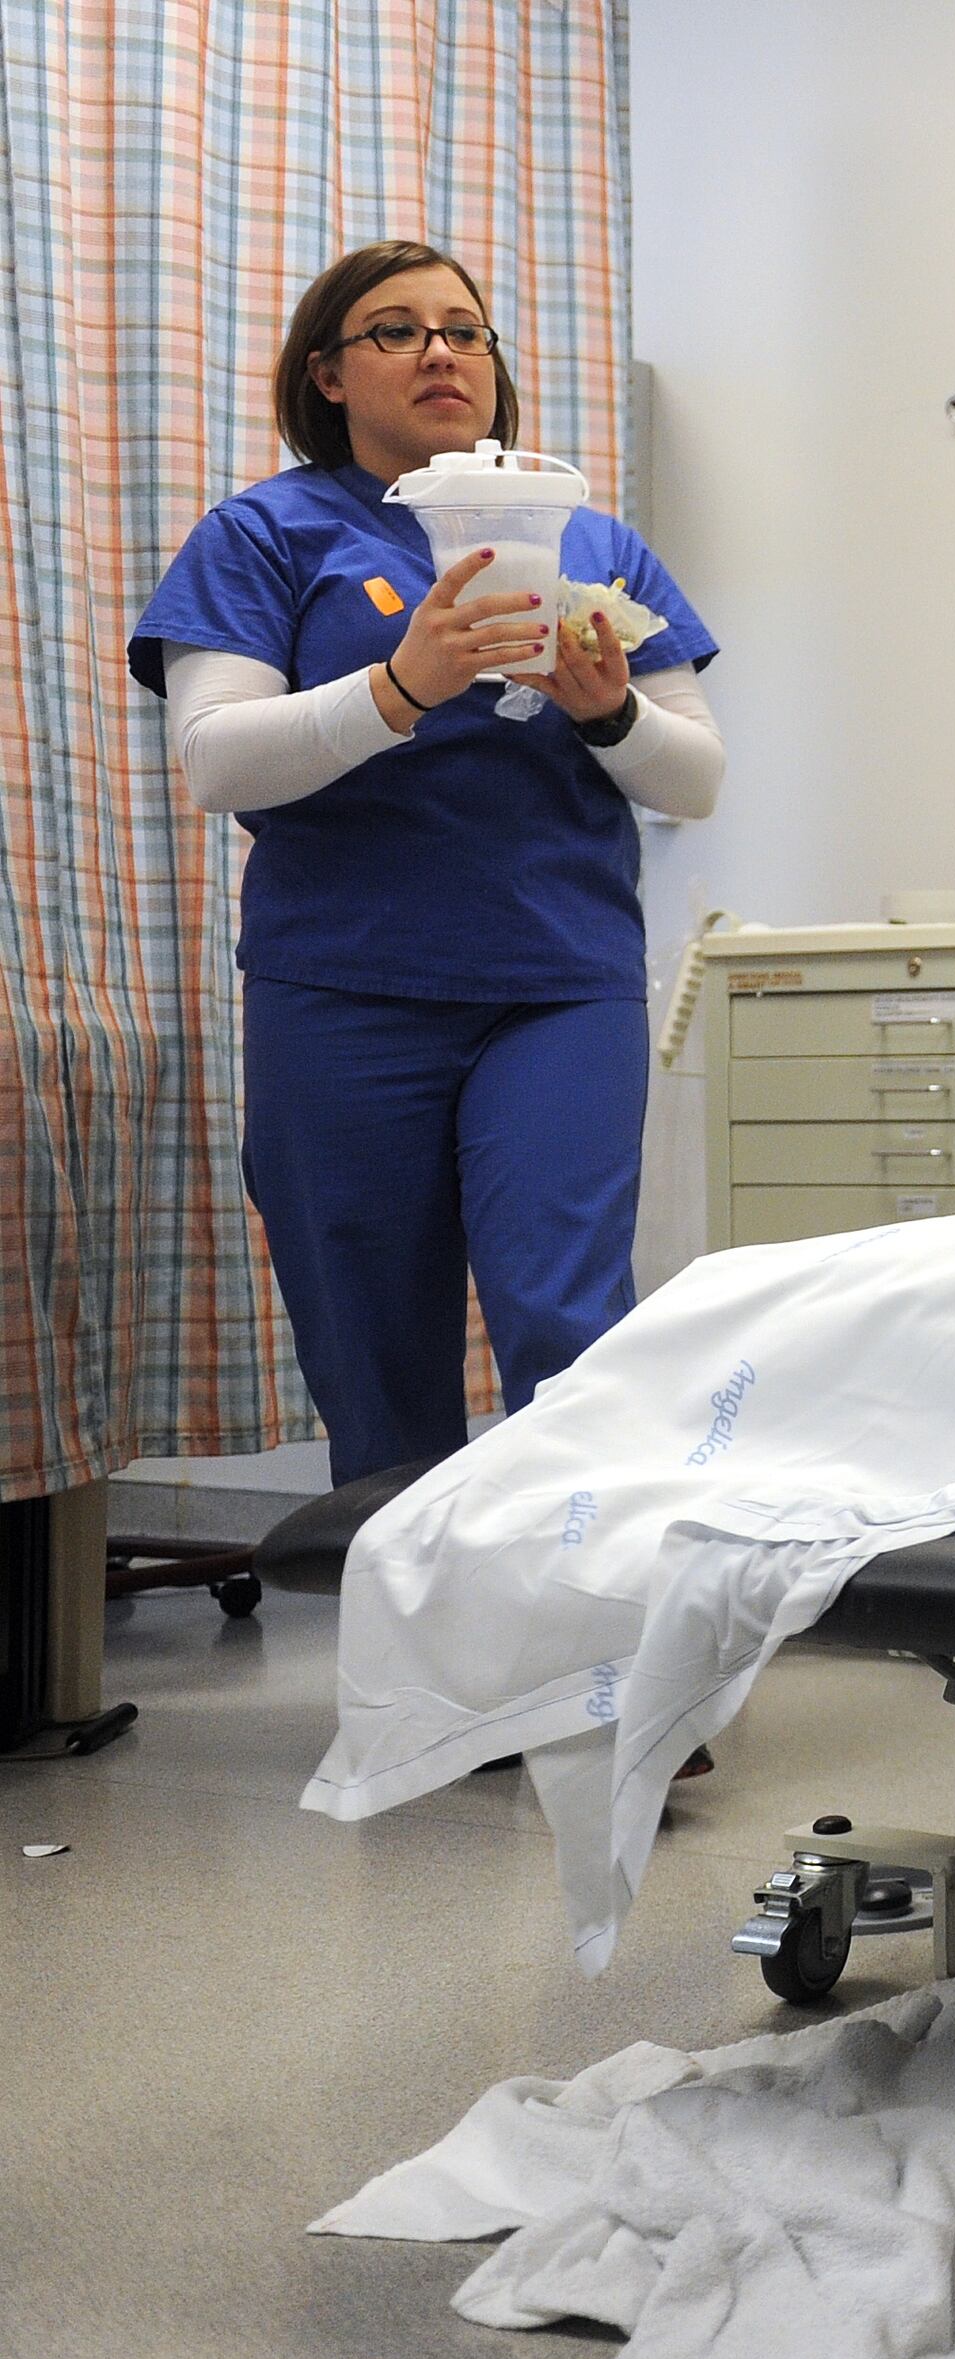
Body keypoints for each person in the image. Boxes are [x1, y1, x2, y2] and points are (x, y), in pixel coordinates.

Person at [131, 240, 724, 1488]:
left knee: (568, 1325)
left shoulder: (592, 543)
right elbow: (217, 760)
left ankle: (578, 1593)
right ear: (327, 375)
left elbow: (695, 779)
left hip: (556, 986)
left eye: (464, 330)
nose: (442, 352)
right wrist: (403, 686)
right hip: (342, 992)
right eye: (396, 331)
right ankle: (401, 1610)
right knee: (376, 1358)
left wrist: (608, 710)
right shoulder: (264, 535)